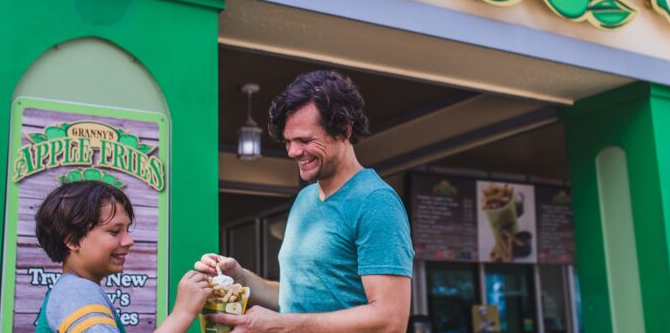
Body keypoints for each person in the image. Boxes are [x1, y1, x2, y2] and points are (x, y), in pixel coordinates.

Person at [195, 70, 414, 333]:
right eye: (288, 141)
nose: (293, 151)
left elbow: (390, 319)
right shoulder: (305, 198)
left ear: (344, 130)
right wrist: (240, 279)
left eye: (305, 140)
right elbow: (294, 298)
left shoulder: (375, 202)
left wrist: (283, 326)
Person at [34, 180, 211, 333]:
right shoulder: (77, 292)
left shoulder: (69, 290)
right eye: (114, 231)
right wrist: (183, 313)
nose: (129, 241)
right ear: (71, 240)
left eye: (127, 230)